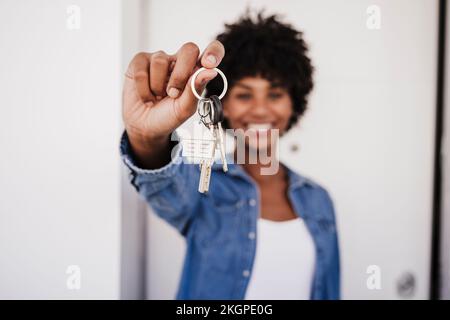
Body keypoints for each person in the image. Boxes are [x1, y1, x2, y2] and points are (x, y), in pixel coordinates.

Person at [120, 12, 340, 300]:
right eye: (245, 95)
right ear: (221, 103)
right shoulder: (203, 187)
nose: (260, 110)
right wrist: (147, 136)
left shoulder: (319, 200)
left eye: (274, 95)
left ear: (293, 102)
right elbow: (164, 181)